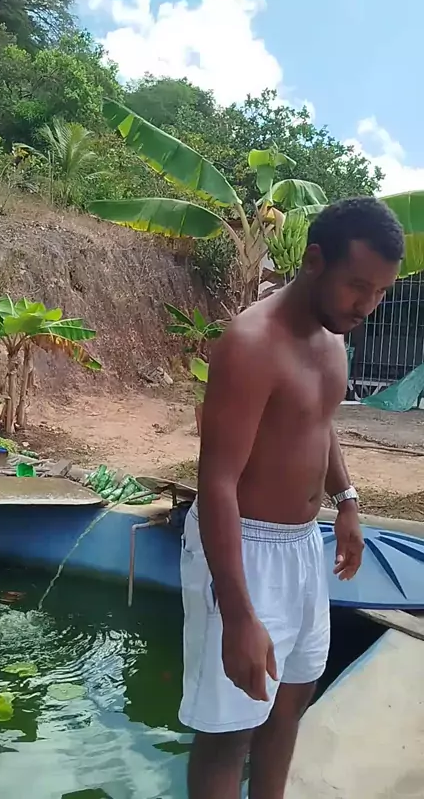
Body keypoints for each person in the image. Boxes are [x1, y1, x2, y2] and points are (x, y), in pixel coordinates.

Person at [179, 196, 404, 799]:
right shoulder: (251, 344)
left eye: (380, 292)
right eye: (358, 286)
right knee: (229, 731)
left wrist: (346, 500)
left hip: (304, 545)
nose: (367, 305)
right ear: (313, 261)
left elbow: (317, 423)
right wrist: (238, 615)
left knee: (289, 705)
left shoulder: (333, 339)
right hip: (243, 547)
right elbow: (217, 481)